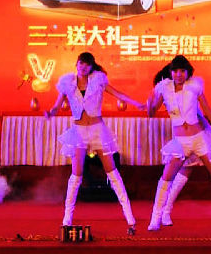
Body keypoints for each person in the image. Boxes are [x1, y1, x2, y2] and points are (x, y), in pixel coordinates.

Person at [44, 52, 145, 232]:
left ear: (91, 67)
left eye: (87, 64)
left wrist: (136, 103)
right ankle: (67, 219)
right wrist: (50, 113)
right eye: (81, 63)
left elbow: (118, 94)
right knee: (76, 175)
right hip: (78, 132)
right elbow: (57, 106)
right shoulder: (67, 83)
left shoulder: (98, 81)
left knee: (112, 173)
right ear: (76, 64)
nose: (83, 67)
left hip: (98, 131)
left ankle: (130, 219)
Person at [146, 55, 211, 231]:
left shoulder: (194, 87)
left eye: (182, 71)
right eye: (175, 71)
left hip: (199, 138)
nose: (179, 74)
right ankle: (156, 218)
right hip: (180, 141)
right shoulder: (164, 88)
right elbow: (152, 111)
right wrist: (149, 104)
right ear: (171, 72)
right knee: (166, 178)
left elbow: (207, 109)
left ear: (188, 72)